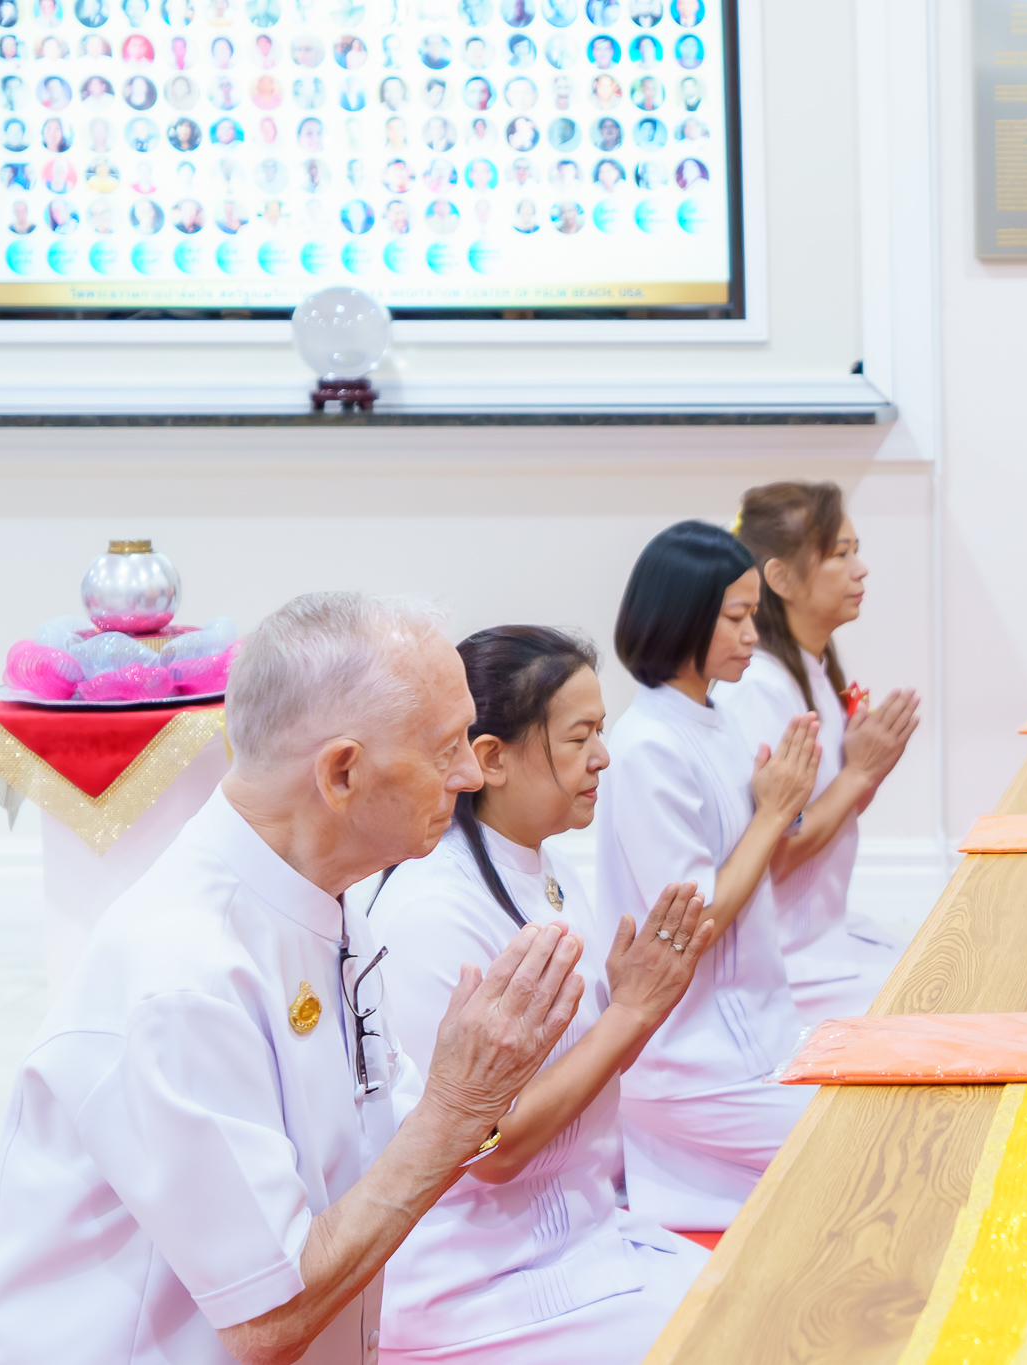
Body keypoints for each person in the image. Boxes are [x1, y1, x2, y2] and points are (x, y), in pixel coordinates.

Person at [0, 593, 587, 1365]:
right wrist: (460, 1107)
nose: (470, 771)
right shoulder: (182, 976)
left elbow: (379, 1136)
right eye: (445, 746)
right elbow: (269, 1316)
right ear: (341, 773)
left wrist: (483, 1092)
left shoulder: (322, 898)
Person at [372, 626, 712, 1362]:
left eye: (602, 731)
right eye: (579, 736)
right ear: (491, 758)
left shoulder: (542, 864)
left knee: (760, 1287)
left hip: (578, 1228)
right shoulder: (434, 908)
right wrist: (631, 1012)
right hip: (482, 1275)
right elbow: (485, 1147)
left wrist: (632, 1007)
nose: (604, 757)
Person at [594, 522, 821, 1231]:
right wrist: (774, 810)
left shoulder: (714, 718)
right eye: (736, 616)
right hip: (692, 1060)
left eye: (754, 613)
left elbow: (755, 862)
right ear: (683, 616)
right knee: (865, 1144)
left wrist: (775, 809)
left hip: (757, 1025)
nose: (753, 632)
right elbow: (696, 922)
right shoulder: (647, 747)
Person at [726, 483, 921, 1024]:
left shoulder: (806, 670)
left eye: (855, 550)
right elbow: (773, 852)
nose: (861, 570)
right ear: (781, 578)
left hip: (821, 939)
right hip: (787, 960)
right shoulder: (757, 690)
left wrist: (866, 770)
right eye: (840, 554)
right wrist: (860, 772)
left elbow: (818, 816)